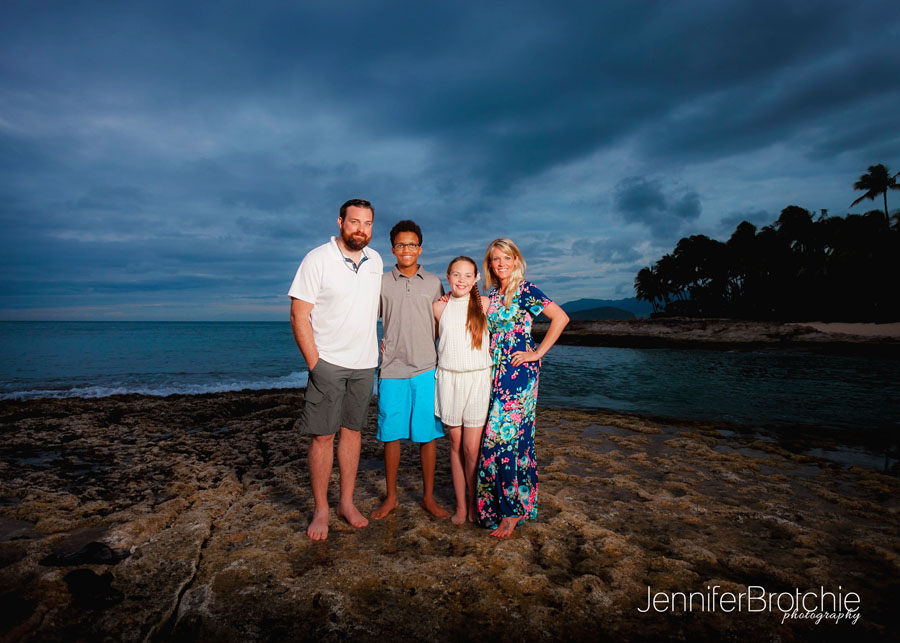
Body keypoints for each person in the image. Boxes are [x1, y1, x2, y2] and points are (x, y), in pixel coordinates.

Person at [288, 199, 383, 541]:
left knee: (353, 433)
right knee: (323, 436)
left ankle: (345, 502)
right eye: (355, 222)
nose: (361, 228)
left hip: (364, 364)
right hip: (328, 363)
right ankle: (321, 509)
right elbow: (299, 314)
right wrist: (315, 364)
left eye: (368, 223)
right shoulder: (317, 259)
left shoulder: (376, 260)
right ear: (341, 222)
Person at [476, 238, 569, 538]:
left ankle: (512, 511)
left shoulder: (525, 290)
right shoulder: (492, 293)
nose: (501, 263)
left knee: (499, 439)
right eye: (495, 259)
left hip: (519, 372)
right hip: (495, 372)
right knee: (510, 441)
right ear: (489, 264)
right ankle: (502, 506)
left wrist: (537, 352)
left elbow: (561, 318)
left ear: (516, 260)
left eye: (506, 258)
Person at [371, 220, 449, 521]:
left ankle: (428, 498)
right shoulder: (380, 281)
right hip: (391, 369)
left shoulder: (433, 282)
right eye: (401, 244)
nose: (407, 249)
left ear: (420, 248)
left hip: (427, 368)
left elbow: (445, 324)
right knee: (392, 435)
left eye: (412, 244)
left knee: (427, 436)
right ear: (393, 249)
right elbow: (366, 318)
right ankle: (391, 497)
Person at [433, 256, 493, 525]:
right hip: (449, 380)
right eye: (456, 275)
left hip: (478, 381)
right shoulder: (438, 307)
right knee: (455, 445)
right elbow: (426, 340)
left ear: (476, 279)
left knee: (471, 448)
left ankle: (476, 503)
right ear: (448, 277)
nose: (461, 280)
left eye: (468, 275)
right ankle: (461, 506)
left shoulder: (486, 305)